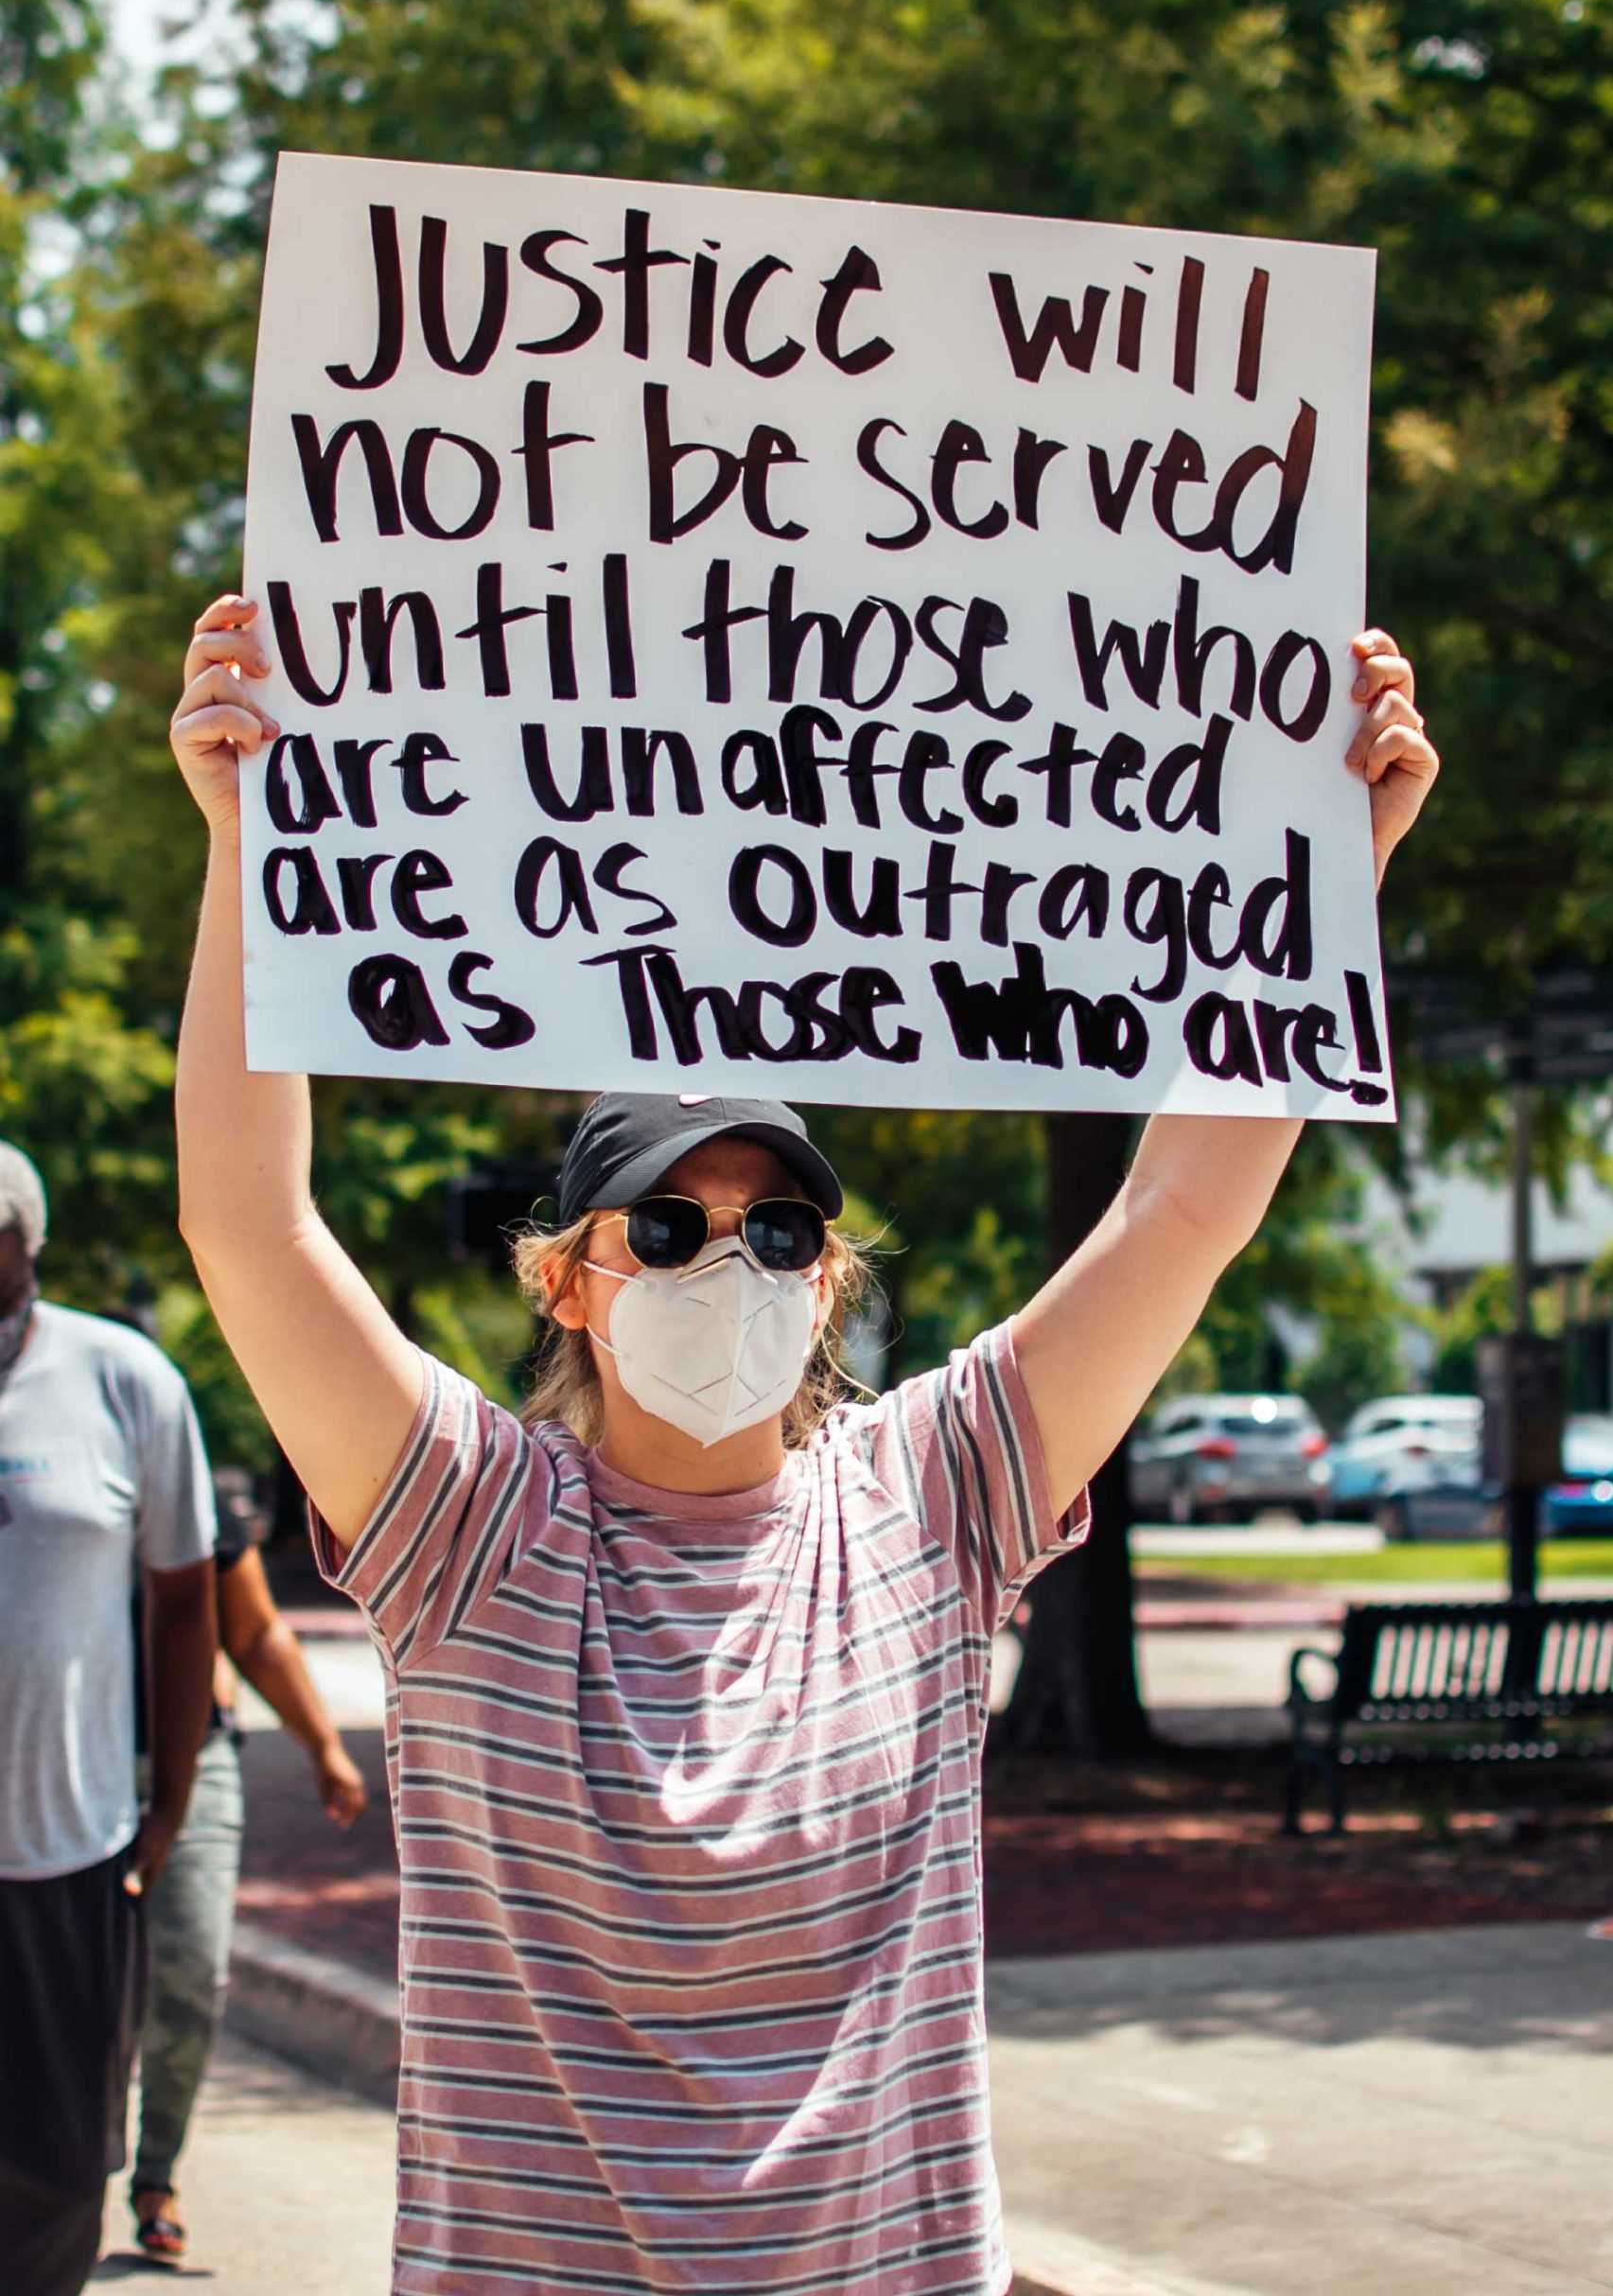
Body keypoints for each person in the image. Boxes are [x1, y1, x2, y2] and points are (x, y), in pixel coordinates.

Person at [169, 592, 1437, 2293]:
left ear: (829, 1276)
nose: (728, 1266)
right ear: (566, 1281)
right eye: (668, 1232)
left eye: (775, 1237)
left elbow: (1180, 1210)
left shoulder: (931, 1498)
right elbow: (252, 1227)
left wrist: (1321, 877)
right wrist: (247, 841)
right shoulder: (462, 1525)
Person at [0, 1144, 217, 2296]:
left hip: (64, 1854)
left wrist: (170, 1797)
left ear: (25, 1244)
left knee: (57, 2162)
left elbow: (186, 1599)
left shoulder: (120, 1377)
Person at [131, 1484, 369, 2267]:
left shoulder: (178, 1475)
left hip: (195, 1760)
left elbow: (257, 1632)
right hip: (56, 1764)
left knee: (193, 1970)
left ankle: (155, 2174)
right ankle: (60, 2166)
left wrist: (323, 1747)